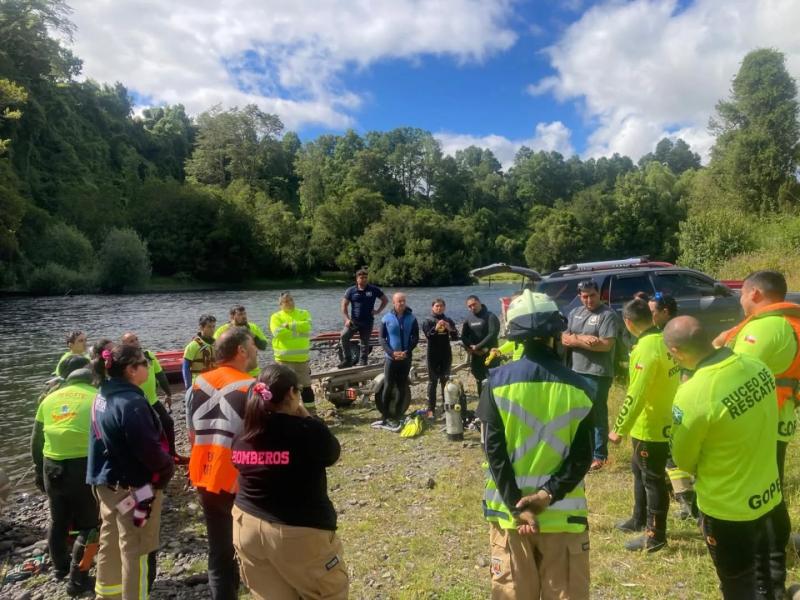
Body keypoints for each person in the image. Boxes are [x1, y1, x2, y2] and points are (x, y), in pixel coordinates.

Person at [478, 290, 593, 599]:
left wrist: (517, 506)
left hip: (511, 518)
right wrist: (547, 494)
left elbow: (494, 452)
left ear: (514, 337)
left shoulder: (495, 384)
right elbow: (583, 457)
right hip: (563, 518)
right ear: (556, 334)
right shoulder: (580, 387)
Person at [665, 316, 790, 599]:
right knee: (770, 578)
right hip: (769, 497)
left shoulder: (693, 394)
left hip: (727, 508)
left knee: (737, 584)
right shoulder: (758, 367)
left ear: (676, 351)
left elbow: (682, 459)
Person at [231, 364, 348, 599]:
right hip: (297, 531)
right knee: (328, 593)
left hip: (247, 525)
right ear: (292, 394)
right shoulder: (305, 431)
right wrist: (305, 413)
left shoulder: (244, 432)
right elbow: (331, 452)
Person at [87, 343, 175, 600]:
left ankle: (108, 594)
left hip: (106, 484)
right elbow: (149, 451)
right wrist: (167, 468)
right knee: (136, 548)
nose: (148, 367)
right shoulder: (132, 403)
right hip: (137, 491)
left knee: (111, 540)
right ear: (131, 370)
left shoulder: (103, 393)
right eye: (144, 363)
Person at [188, 327, 258, 600]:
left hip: (205, 475)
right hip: (237, 477)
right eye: (252, 346)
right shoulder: (250, 386)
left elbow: (192, 432)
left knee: (219, 549)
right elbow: (257, 439)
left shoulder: (198, 383)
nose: (255, 351)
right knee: (251, 546)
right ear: (240, 350)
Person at [715, 271, 800, 486]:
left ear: (754, 293)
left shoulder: (765, 326)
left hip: (757, 417)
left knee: (756, 488)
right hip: (781, 412)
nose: (740, 300)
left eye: (742, 294)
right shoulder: (786, 322)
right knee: (771, 487)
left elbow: (734, 373)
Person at [608, 299, 679, 552]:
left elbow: (636, 393)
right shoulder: (665, 338)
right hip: (665, 419)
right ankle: (639, 518)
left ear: (628, 323)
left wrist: (619, 428)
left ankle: (655, 536)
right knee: (638, 471)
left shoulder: (645, 349)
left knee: (653, 480)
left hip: (650, 426)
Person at [31, 355, 99, 595]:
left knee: (58, 519)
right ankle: (78, 578)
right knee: (90, 526)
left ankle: (59, 569)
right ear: (92, 380)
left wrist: (39, 472)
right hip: (81, 467)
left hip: (52, 466)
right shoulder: (95, 398)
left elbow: (36, 441)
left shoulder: (48, 400)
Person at [561, 279, 620, 471]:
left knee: (596, 414)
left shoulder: (607, 315)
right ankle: (582, 451)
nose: (589, 300)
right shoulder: (574, 313)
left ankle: (599, 455)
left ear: (599, 294)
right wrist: (583, 338)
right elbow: (564, 338)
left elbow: (605, 345)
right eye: (584, 297)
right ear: (579, 297)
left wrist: (574, 339)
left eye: (592, 295)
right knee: (578, 413)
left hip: (597, 373)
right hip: (575, 370)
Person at [121, 332, 181, 463]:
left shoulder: (148, 355)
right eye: (131, 341)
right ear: (124, 345)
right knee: (146, 431)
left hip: (153, 400)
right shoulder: (123, 361)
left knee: (168, 423)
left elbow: (160, 375)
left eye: (136, 339)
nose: (136, 342)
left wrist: (168, 394)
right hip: (136, 403)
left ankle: (172, 454)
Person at [375, 292, 419, 430]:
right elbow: (381, 339)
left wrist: (407, 351)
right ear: (393, 303)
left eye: (403, 301)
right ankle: (385, 415)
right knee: (388, 385)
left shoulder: (412, 318)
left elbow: (415, 337)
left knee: (401, 385)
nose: (401, 303)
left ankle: (399, 413)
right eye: (399, 301)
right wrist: (392, 353)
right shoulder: (386, 318)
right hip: (391, 358)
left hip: (405, 358)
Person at [269, 292, 315, 411]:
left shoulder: (303, 313)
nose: (290, 303)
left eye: (291, 300)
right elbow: (277, 333)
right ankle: (286, 413)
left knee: (306, 387)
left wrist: (288, 326)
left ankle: (312, 413)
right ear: (280, 304)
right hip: (284, 360)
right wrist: (298, 329)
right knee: (284, 389)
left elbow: (308, 327)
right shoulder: (276, 317)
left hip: (302, 359)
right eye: (286, 301)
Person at [338, 269, 388, 368]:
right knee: (344, 336)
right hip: (354, 322)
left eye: (365, 278)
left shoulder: (373, 289)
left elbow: (385, 300)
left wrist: (377, 311)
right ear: (357, 279)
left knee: (364, 343)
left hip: (368, 322)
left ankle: (363, 363)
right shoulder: (351, 290)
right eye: (361, 278)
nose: (364, 280)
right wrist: (347, 319)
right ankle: (348, 360)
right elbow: (344, 306)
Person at [421, 298, 459, 418]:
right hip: (433, 353)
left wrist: (450, 328)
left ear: (444, 307)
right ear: (432, 307)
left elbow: (455, 337)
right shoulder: (428, 321)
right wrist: (436, 328)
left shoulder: (448, 320)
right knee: (432, 382)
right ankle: (431, 409)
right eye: (437, 306)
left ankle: (445, 406)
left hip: (445, 353)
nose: (439, 308)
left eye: (441, 306)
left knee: (445, 380)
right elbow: (428, 336)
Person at [461, 295, 501, 396]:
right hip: (476, 355)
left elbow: (492, 334)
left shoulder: (490, 316)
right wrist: (471, 347)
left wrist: (477, 346)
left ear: (479, 302)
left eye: (474, 304)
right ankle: (481, 402)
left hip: (490, 354)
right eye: (469, 306)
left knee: (492, 379)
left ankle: (494, 404)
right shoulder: (469, 319)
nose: (472, 307)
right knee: (479, 379)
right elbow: (463, 336)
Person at [214, 305, 268, 376]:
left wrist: (253, 336)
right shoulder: (223, 330)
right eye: (240, 314)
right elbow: (214, 349)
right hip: (232, 372)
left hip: (252, 372)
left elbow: (263, 346)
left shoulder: (253, 328)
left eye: (244, 314)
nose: (244, 317)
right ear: (232, 317)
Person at [182, 314, 217, 390]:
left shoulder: (217, 345)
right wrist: (188, 387)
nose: (212, 329)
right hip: (199, 385)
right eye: (209, 327)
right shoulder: (193, 346)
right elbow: (185, 368)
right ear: (201, 327)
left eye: (213, 326)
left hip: (215, 384)